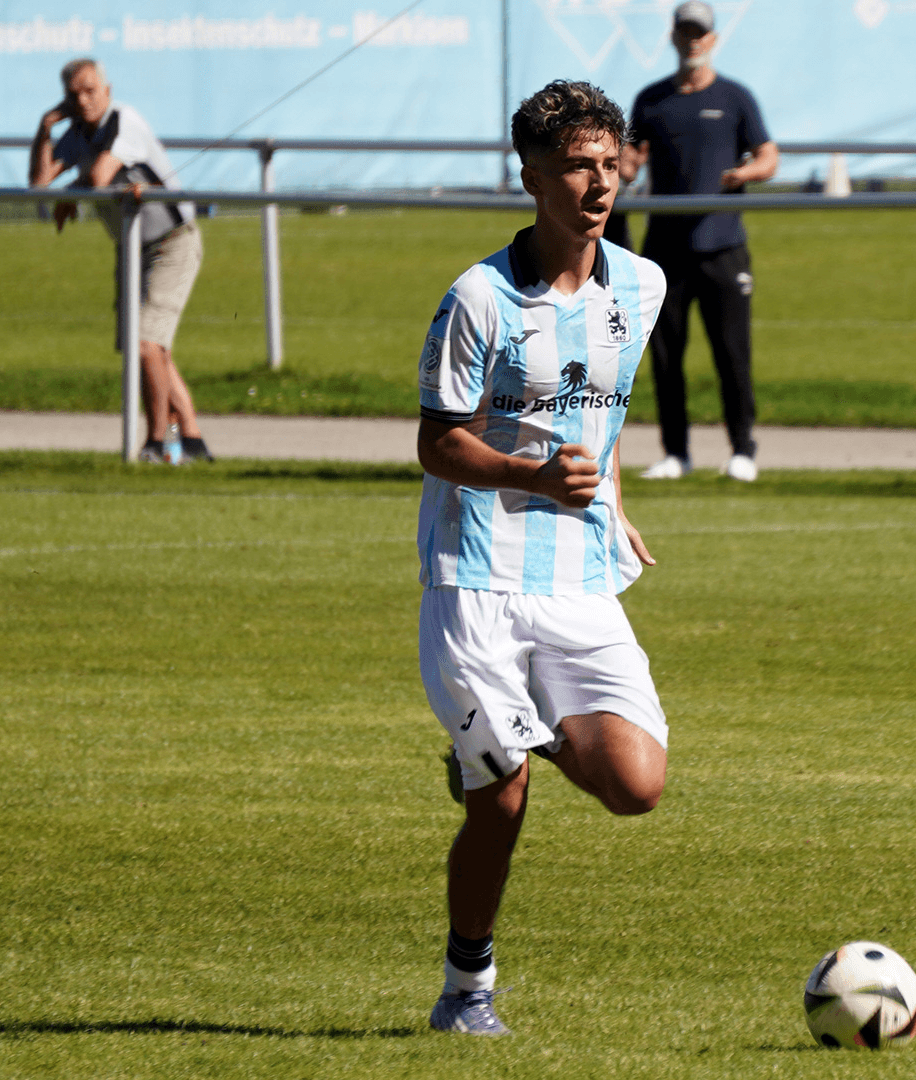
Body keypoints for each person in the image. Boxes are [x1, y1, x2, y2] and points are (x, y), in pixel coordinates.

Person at [417, 79, 669, 1037]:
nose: (599, 183)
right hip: (475, 580)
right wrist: (526, 474)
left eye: (611, 164)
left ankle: (506, 739)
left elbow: (599, 417)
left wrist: (611, 494)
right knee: (503, 797)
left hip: (580, 577)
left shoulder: (640, 287)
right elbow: (439, 443)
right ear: (529, 174)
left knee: (637, 787)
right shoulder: (478, 298)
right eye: (577, 165)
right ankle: (465, 992)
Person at [29, 58, 212, 463]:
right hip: (131, 245)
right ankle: (194, 441)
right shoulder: (77, 131)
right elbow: (39, 182)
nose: (83, 100)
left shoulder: (123, 120)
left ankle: (157, 443)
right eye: (74, 94)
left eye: (90, 90)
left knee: (147, 345)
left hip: (172, 241)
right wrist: (44, 129)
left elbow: (99, 176)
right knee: (148, 348)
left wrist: (74, 190)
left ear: (107, 91)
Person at [627, 0, 778, 481]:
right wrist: (626, 166)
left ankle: (743, 450)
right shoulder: (651, 100)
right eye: (685, 32)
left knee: (732, 353)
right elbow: (628, 161)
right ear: (673, 37)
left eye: (701, 33)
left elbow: (769, 156)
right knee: (666, 357)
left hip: (722, 243)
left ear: (712, 40)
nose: (693, 41)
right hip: (664, 251)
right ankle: (676, 453)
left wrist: (745, 174)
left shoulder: (735, 97)